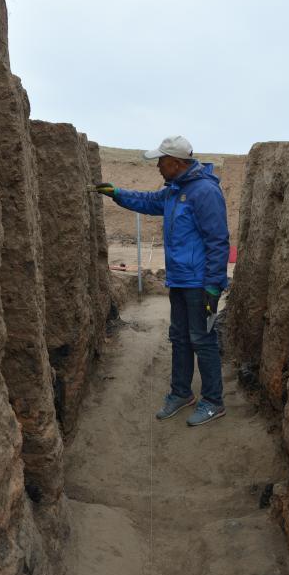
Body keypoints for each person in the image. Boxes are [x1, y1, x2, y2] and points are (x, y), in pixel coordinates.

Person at [95, 136, 230, 426]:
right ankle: (181, 393)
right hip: (180, 281)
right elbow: (147, 201)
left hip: (200, 283)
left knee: (203, 340)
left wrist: (213, 285)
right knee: (180, 337)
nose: (157, 166)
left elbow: (218, 241)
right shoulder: (173, 191)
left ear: (177, 163)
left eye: (161, 161)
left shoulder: (205, 192)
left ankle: (213, 400)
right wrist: (116, 193)